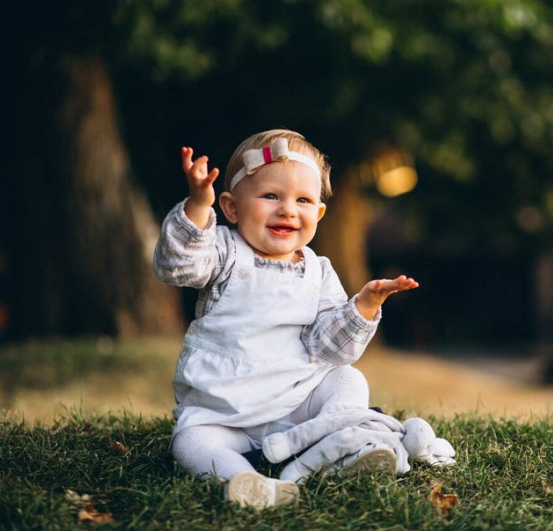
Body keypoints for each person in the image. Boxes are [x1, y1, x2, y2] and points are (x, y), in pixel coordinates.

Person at [154, 129, 420, 509]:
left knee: (347, 379)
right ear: (230, 208)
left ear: (319, 213)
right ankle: (244, 480)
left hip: (296, 405)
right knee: (191, 441)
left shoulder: (319, 271)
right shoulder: (225, 253)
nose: (288, 209)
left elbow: (328, 347)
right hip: (227, 411)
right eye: (271, 196)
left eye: (303, 200)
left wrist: (364, 305)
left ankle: (336, 444)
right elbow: (178, 267)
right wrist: (198, 206)